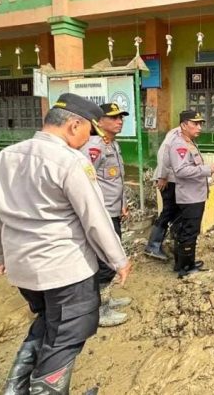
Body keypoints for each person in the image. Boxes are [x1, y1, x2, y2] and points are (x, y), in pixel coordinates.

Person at [0, 93, 132, 394]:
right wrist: (119, 259)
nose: (88, 138)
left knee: (47, 322)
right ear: (74, 125)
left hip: (24, 270)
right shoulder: (69, 161)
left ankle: (16, 388)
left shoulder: (5, 157)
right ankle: (46, 389)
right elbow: (94, 216)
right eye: (88, 131)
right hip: (65, 269)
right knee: (67, 333)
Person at [81, 102, 132, 327]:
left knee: (110, 257)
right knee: (105, 260)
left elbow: (113, 180)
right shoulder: (94, 146)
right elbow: (84, 182)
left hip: (112, 210)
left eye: (121, 117)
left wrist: (122, 203)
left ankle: (106, 299)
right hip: (101, 213)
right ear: (99, 122)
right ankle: (98, 310)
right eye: (113, 118)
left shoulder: (112, 144)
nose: (119, 121)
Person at [167, 110, 214, 277]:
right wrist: (208, 169)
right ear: (184, 125)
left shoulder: (189, 142)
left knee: (188, 230)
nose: (199, 127)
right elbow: (181, 171)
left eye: (200, 124)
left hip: (195, 195)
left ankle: (185, 263)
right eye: (195, 123)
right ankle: (185, 269)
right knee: (189, 232)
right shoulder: (179, 145)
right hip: (189, 197)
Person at [144, 125, 182, 260]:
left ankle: (175, 242)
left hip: (175, 180)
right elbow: (163, 153)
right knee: (168, 211)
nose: (198, 127)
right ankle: (153, 246)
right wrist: (162, 176)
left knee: (177, 211)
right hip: (168, 180)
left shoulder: (185, 136)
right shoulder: (176, 134)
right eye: (195, 124)